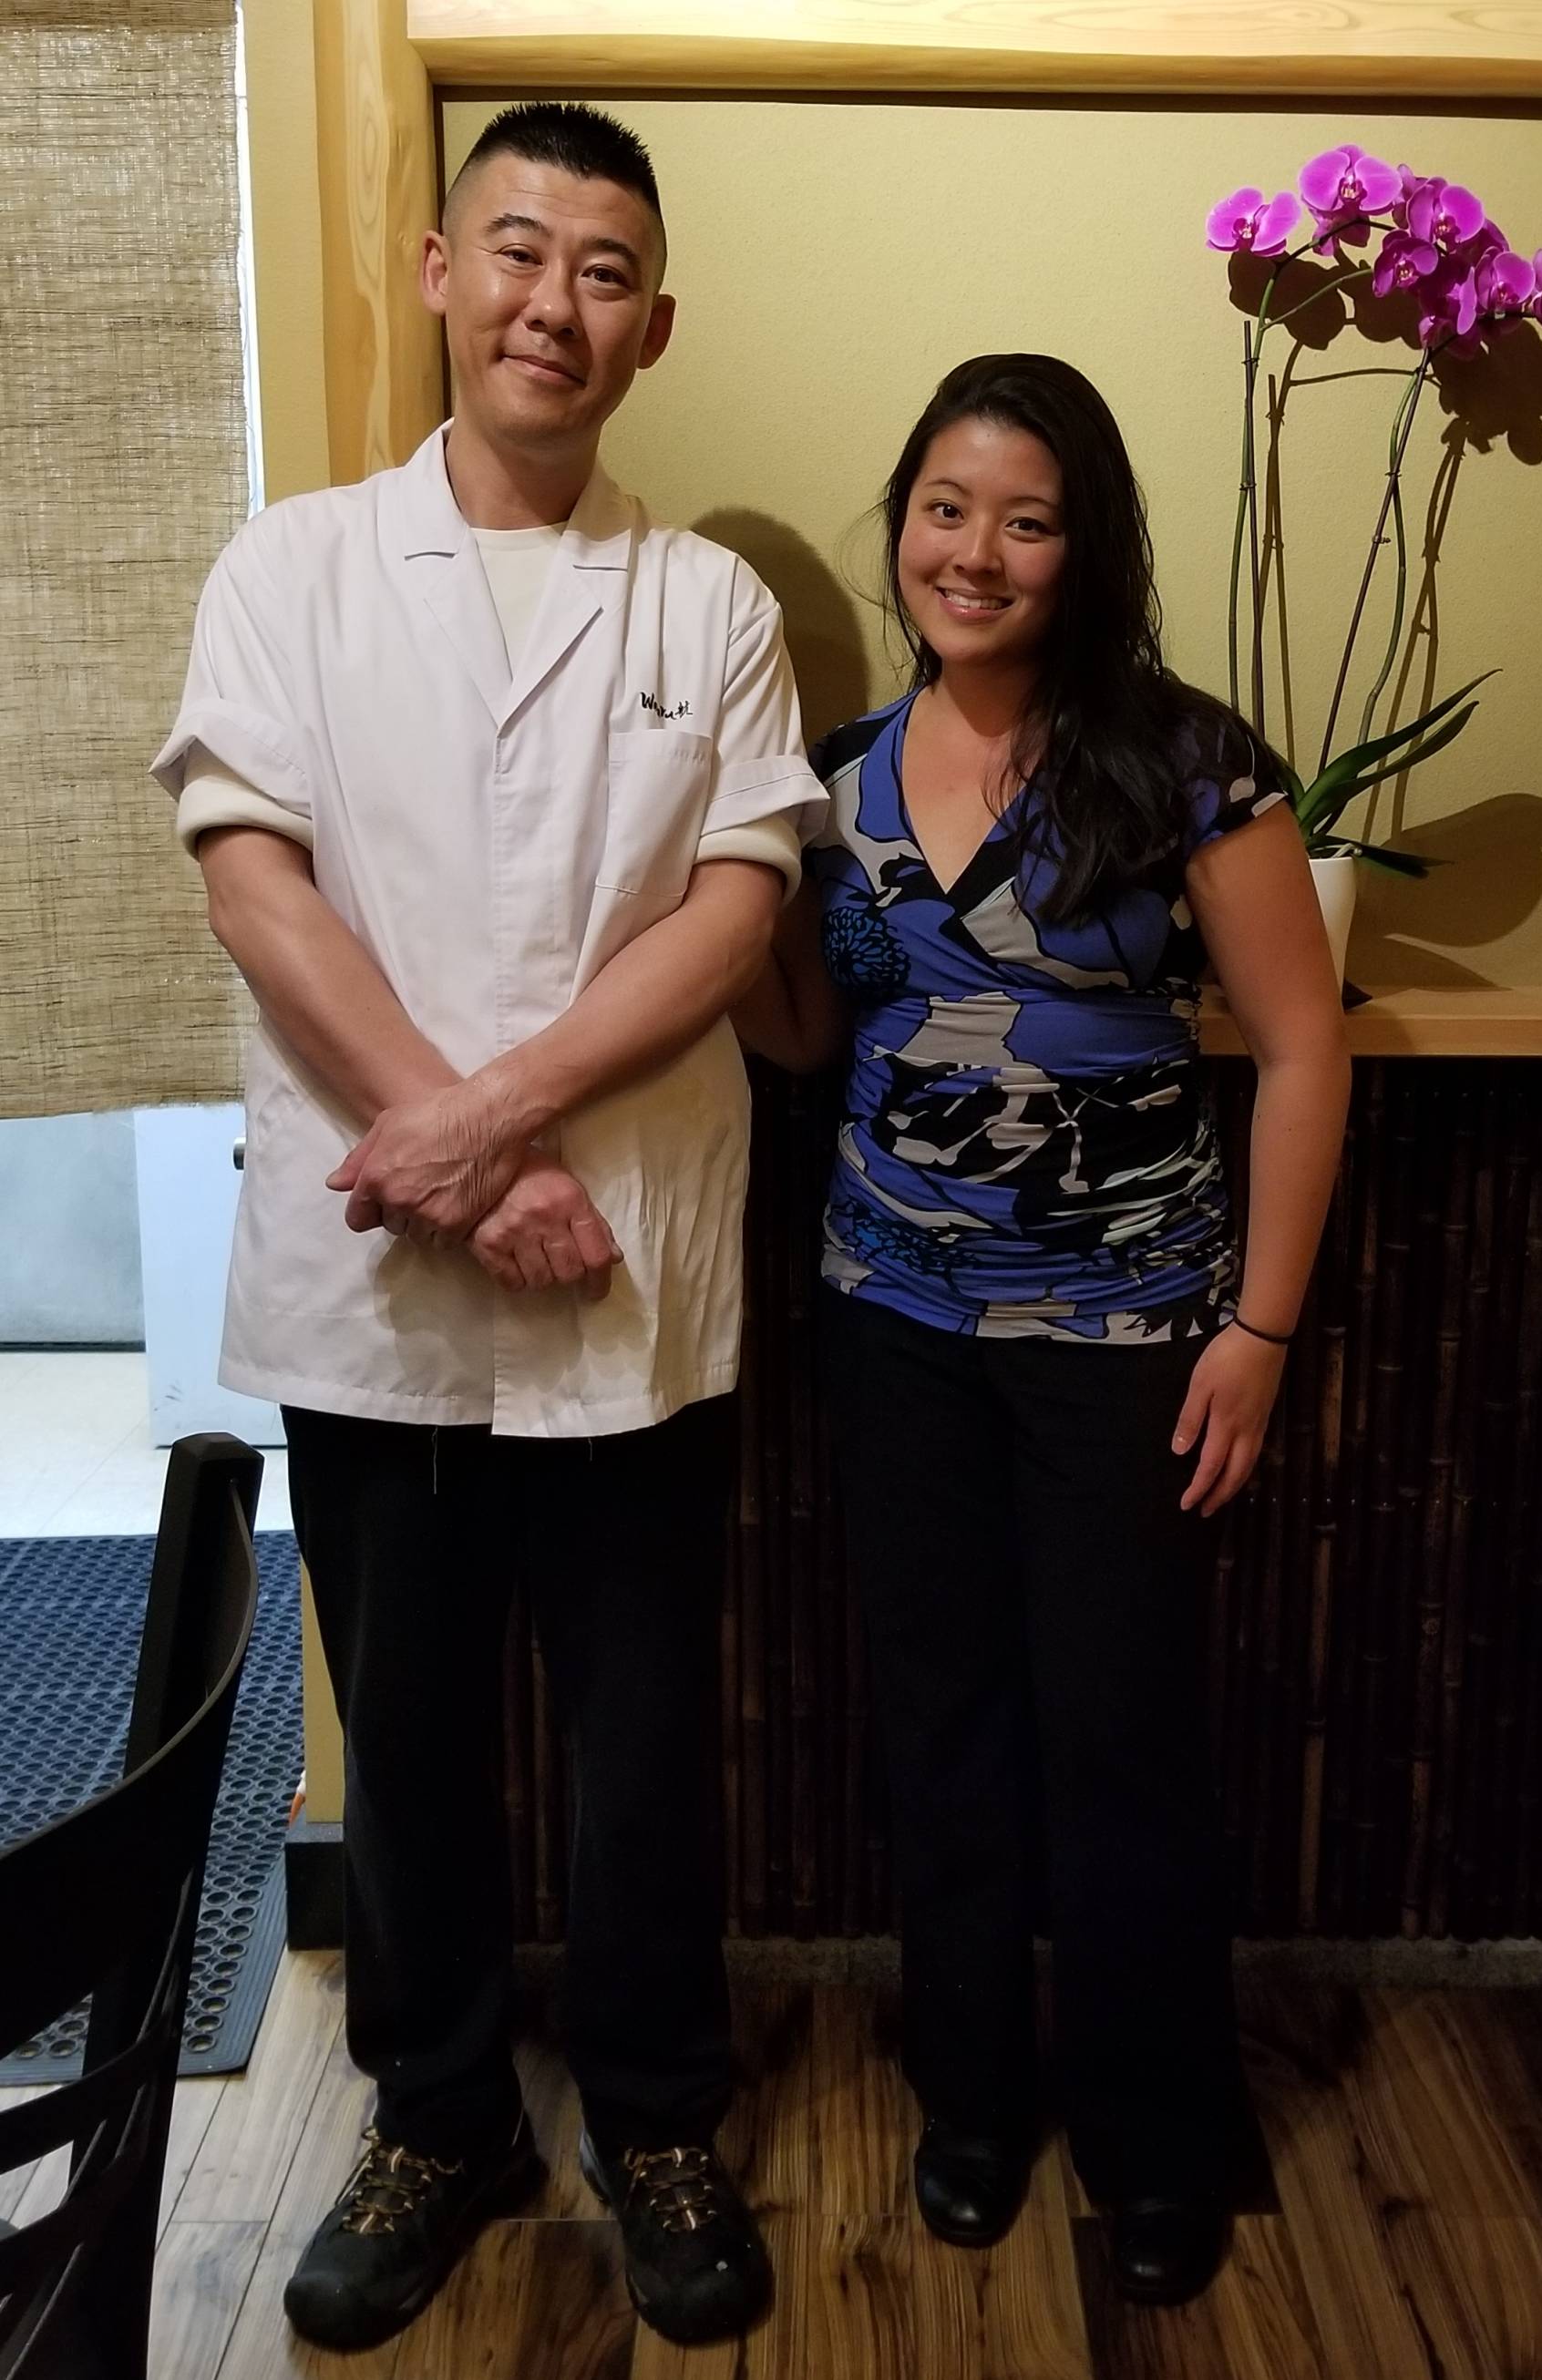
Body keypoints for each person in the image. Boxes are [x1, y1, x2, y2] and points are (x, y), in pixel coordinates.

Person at [152, 103, 824, 2353]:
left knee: (645, 1733)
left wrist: (498, 1122)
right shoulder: (294, 567)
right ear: (442, 272)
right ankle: (437, 2114)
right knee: (411, 1732)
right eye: (518, 250)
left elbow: (736, 907)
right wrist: (470, 1156)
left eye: (604, 270)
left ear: (655, 325)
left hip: (621, 1264)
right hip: (388, 1282)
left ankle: (654, 2110)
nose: (556, 302)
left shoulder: (710, 601)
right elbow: (255, 883)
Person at [735, 353, 1352, 2305]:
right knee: (942, 1724)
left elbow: (1305, 1043)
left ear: (1085, 547)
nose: (975, 553)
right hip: (890, 1319)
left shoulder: (1184, 761)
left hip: (1129, 1340)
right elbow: (813, 1042)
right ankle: (973, 2100)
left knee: (1121, 1737)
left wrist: (1258, 1329)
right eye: (945, 509)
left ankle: (1163, 2134)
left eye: (1026, 519)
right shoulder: (834, 779)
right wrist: (719, 922)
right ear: (902, 520)